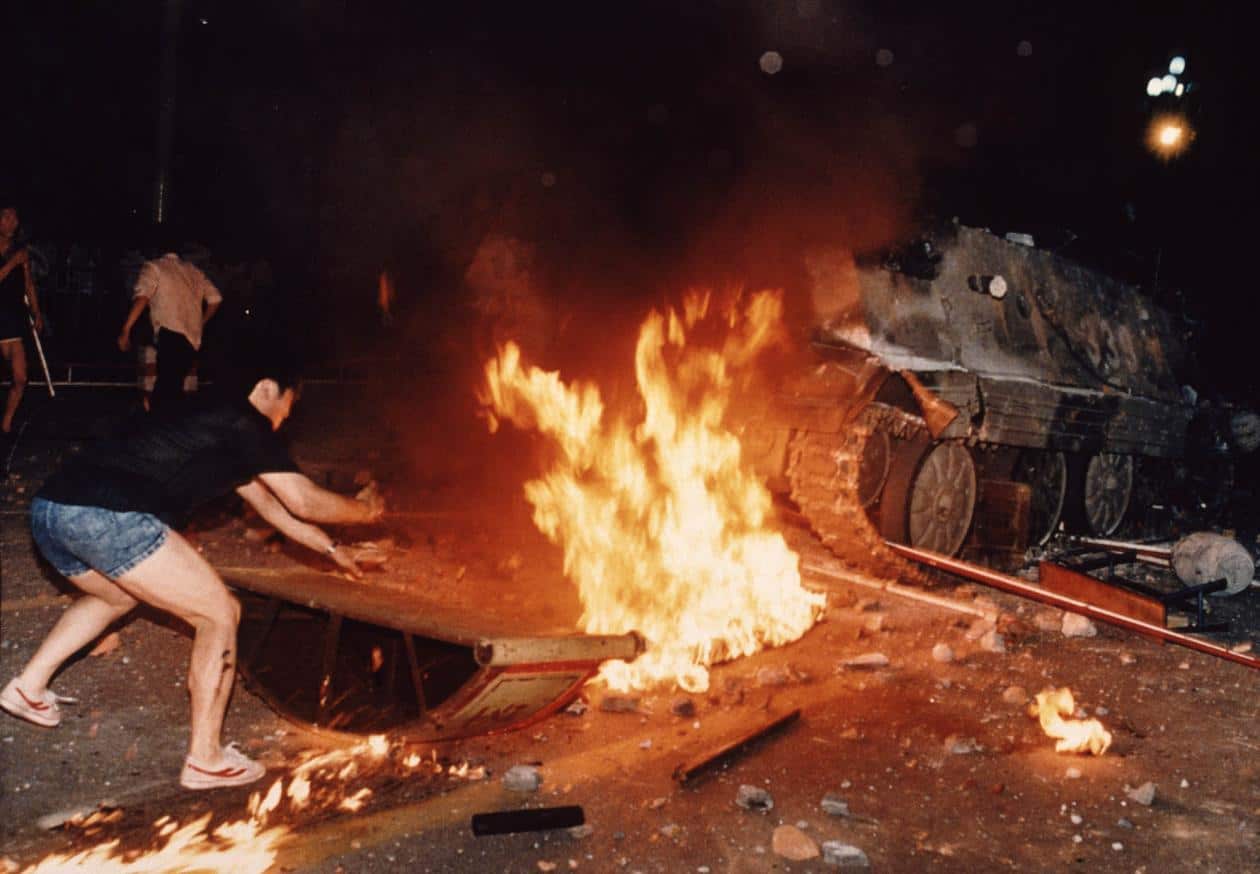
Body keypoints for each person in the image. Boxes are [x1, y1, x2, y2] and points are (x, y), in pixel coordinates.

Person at [0, 345, 385, 790]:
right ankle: (206, 758)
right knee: (219, 613)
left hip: (53, 512)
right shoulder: (244, 420)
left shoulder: (209, 421)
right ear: (265, 389)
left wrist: (334, 548)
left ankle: (28, 688)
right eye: (287, 406)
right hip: (109, 514)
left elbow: (275, 509)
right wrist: (365, 512)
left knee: (116, 595)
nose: (284, 420)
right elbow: (302, 498)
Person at [118, 247, 222, 411]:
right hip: (193, 339)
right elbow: (216, 299)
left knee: (166, 390)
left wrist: (126, 329)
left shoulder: (154, 267)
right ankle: (169, 425)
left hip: (170, 333)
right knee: (174, 388)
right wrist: (201, 322)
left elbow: (142, 297)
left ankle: (161, 427)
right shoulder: (194, 271)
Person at [0, 204, 43, 434]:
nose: (12, 222)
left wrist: (36, 312)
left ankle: (6, 424)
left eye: (15, 217)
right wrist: (12, 263)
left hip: (13, 317)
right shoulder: (14, 256)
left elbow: (28, 284)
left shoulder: (20, 250)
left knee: (20, 377)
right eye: (6, 216)